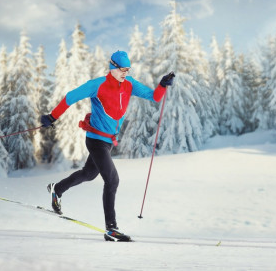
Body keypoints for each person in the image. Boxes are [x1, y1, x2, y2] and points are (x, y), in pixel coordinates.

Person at [40, 50, 175, 242]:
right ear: (112, 67)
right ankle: (111, 229)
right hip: (95, 140)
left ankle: (57, 189)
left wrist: (162, 85)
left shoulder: (129, 85)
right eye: (122, 69)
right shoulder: (98, 85)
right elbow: (71, 97)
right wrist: (52, 117)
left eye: (127, 69)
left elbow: (154, 97)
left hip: (108, 142)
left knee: (88, 174)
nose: (125, 73)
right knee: (112, 181)